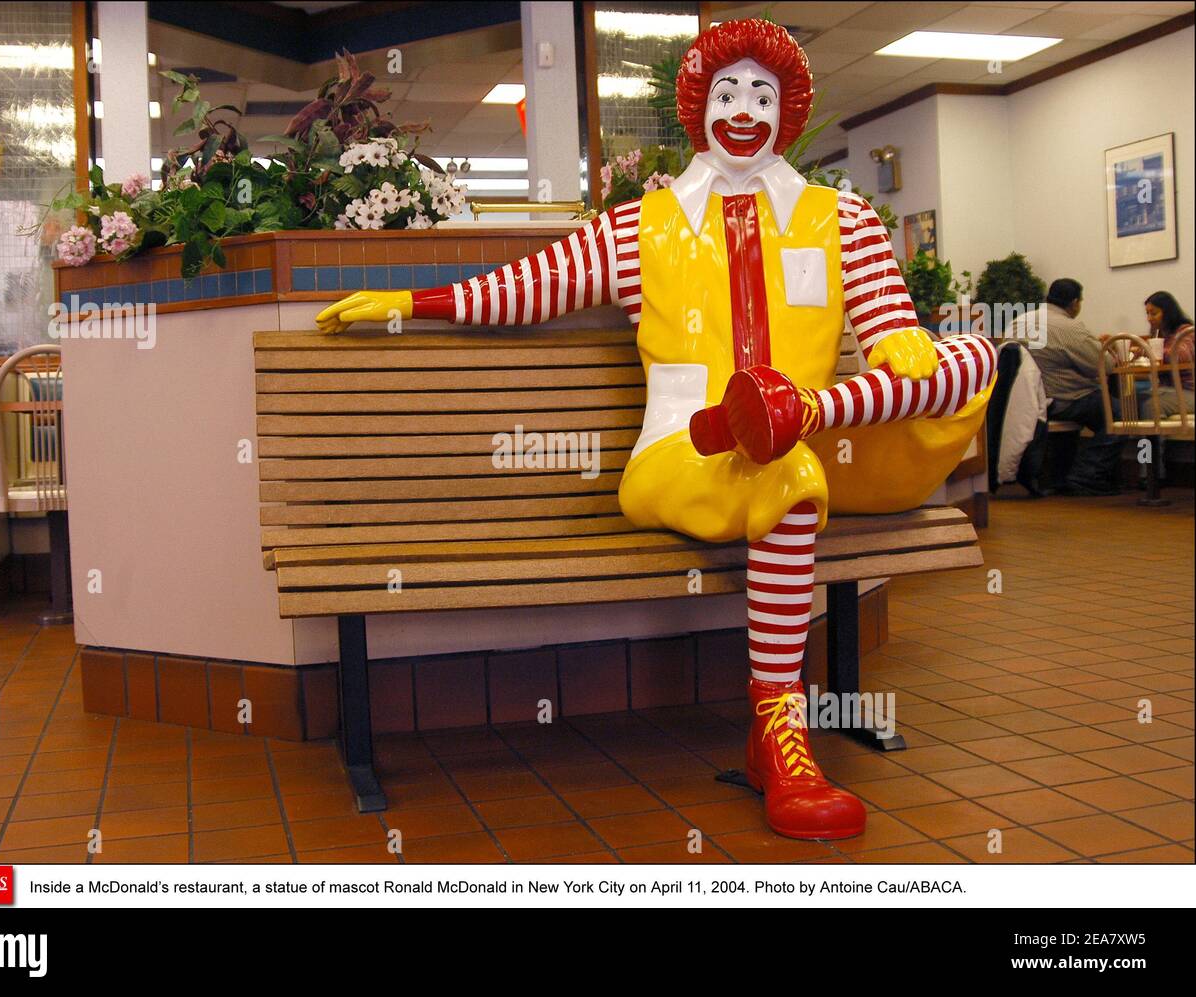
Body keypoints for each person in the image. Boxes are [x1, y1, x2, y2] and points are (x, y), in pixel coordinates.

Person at [315, 19, 997, 841]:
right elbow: (532, 284)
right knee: (791, 480)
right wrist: (409, 305)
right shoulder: (641, 227)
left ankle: (800, 410)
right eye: (727, 92)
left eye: (763, 94)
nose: (744, 110)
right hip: (687, 451)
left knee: (973, 356)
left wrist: (889, 353)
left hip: (822, 437)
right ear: (697, 107)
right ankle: (778, 736)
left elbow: (896, 336)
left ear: (788, 111)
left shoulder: (843, 221)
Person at [1026, 278, 1123, 495]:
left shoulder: (1019, 322)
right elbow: (1103, 365)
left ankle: (1059, 477)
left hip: (1028, 401)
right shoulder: (1069, 328)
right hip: (1063, 399)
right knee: (1121, 415)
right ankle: (1086, 476)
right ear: (1074, 303)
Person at [1143, 291, 1194, 416]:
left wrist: (1145, 350)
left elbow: (1179, 355)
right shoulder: (1160, 335)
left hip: (1189, 391)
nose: (1149, 318)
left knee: (1152, 405)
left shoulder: (1186, 331)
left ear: (1168, 313)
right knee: (1131, 400)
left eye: (1153, 313)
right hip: (1167, 390)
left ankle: (1157, 436)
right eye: (1147, 313)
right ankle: (1137, 435)